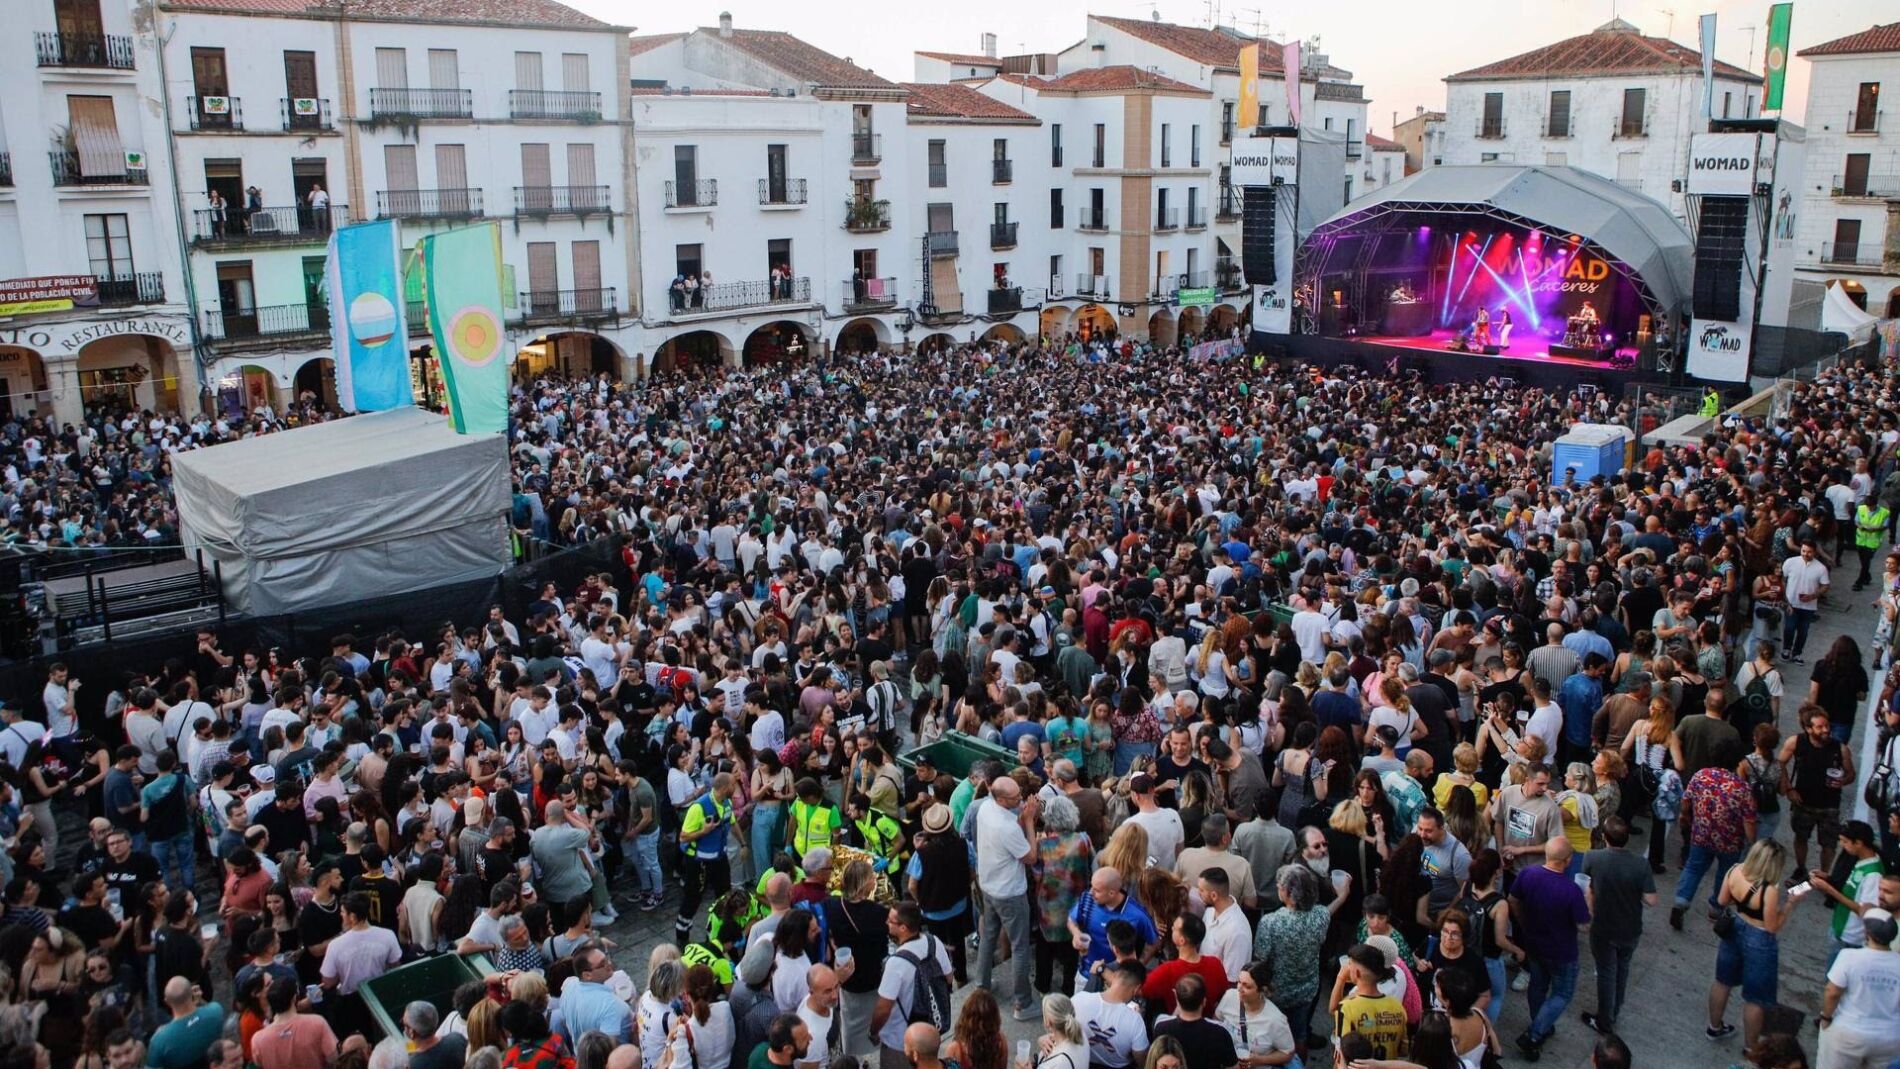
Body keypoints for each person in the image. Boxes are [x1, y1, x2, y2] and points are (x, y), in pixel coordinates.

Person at [1708, 839, 1802, 1048]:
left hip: (1734, 927)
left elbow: (1722, 901)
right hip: (1759, 939)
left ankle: (1714, 1027)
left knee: (1722, 981)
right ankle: (1751, 1047)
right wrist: (1790, 904)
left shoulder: (1735, 870)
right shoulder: (1769, 889)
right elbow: (1772, 926)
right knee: (1755, 998)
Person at [1508, 838, 1589, 1060]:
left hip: (1534, 944)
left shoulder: (1527, 874)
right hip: (1562, 952)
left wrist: (1524, 923)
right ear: (1568, 860)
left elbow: (1513, 899)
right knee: (1562, 993)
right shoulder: (1571, 890)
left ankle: (1540, 1022)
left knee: (1538, 985)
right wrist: (1589, 901)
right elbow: (1584, 925)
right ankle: (1534, 1033)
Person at [1578, 818, 1655, 1034]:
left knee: (1606, 972)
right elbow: (1651, 899)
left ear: (1604, 837)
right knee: (1622, 969)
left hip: (1603, 927)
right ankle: (1614, 1010)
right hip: (1630, 928)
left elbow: (1588, 889)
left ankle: (1605, 1019)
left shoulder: (1593, 857)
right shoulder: (1641, 864)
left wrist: (1587, 917)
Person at [975, 774, 1039, 1020]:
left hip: (989, 885)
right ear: (1001, 799)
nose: (1020, 800)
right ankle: (1022, 1003)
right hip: (1010, 892)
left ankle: (982, 984)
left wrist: (1022, 816)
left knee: (988, 936)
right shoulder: (1007, 827)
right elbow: (1030, 857)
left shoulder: (985, 808)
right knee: (1020, 945)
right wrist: (1029, 821)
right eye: (1015, 798)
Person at [873, 902, 954, 1069]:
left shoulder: (895, 963)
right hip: (929, 1030)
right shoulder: (934, 942)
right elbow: (949, 978)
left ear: (903, 928)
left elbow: (883, 1008)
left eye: (890, 921)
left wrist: (873, 1031)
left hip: (900, 1041)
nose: (886, 923)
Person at [1818, 908, 1900, 1069]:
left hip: (1848, 1032)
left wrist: (1826, 1017)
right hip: (1889, 1037)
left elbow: (1832, 992)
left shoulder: (1849, 956)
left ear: (1867, 933)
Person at [1782, 705, 1855, 876]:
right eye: (1820, 727)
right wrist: (1789, 789)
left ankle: (1823, 874)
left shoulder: (1840, 748)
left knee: (1829, 844)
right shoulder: (1796, 742)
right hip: (1803, 802)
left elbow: (1851, 774)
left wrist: (1843, 781)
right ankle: (1801, 869)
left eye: (1827, 725)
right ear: (1808, 729)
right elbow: (1779, 765)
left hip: (1830, 805)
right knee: (1801, 837)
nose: (1826, 730)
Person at [1329, 943, 1407, 1060]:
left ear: (1357, 973)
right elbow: (1403, 1050)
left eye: (1349, 964)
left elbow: (1340, 1055)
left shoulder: (1347, 1008)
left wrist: (1340, 978)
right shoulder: (1398, 1007)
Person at [1213, 961, 1296, 1069]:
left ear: (1263, 990)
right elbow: (1215, 1022)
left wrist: (1260, 1060)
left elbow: (1288, 1053)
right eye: (1239, 982)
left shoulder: (1276, 1020)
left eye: (1247, 986)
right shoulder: (1229, 996)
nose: (1239, 989)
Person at [1072, 961, 1149, 1069]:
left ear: (1115, 975)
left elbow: (1058, 1030)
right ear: (1137, 989)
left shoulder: (1079, 999)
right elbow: (1142, 1060)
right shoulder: (1135, 1021)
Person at [1151, 974, 1237, 1069]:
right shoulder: (1220, 1033)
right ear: (1204, 1001)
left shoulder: (1161, 1028)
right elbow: (1233, 1067)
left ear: (1176, 997)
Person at [148, 977, 226, 1069]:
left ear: (167, 1002)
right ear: (192, 993)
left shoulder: (159, 1040)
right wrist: (199, 1002)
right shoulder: (216, 1012)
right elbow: (209, 1008)